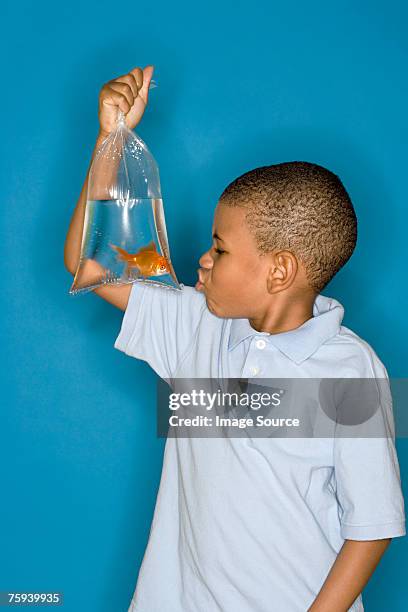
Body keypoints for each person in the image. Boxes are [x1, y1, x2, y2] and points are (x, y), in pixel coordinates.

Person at [64, 64, 406, 612]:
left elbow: (374, 526)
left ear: (279, 272)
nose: (202, 259)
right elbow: (91, 265)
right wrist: (111, 140)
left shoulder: (352, 370)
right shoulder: (198, 325)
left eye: (219, 249)